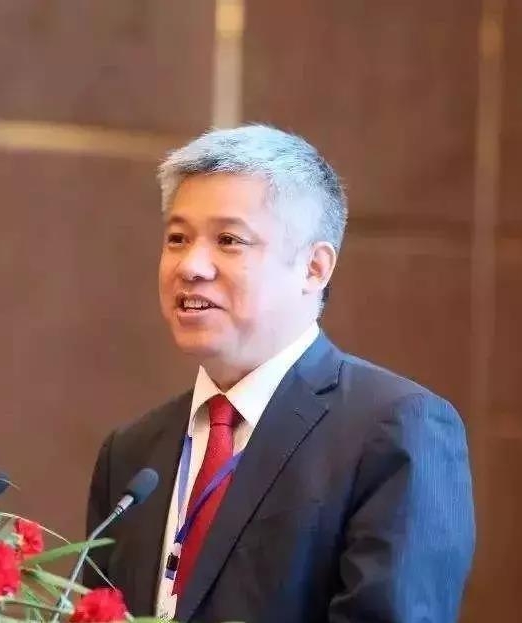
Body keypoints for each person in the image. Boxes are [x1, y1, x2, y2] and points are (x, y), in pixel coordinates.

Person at [84, 125, 475, 622]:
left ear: (314, 267)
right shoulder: (131, 453)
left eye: (229, 240)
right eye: (177, 239)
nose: (191, 266)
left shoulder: (395, 429)